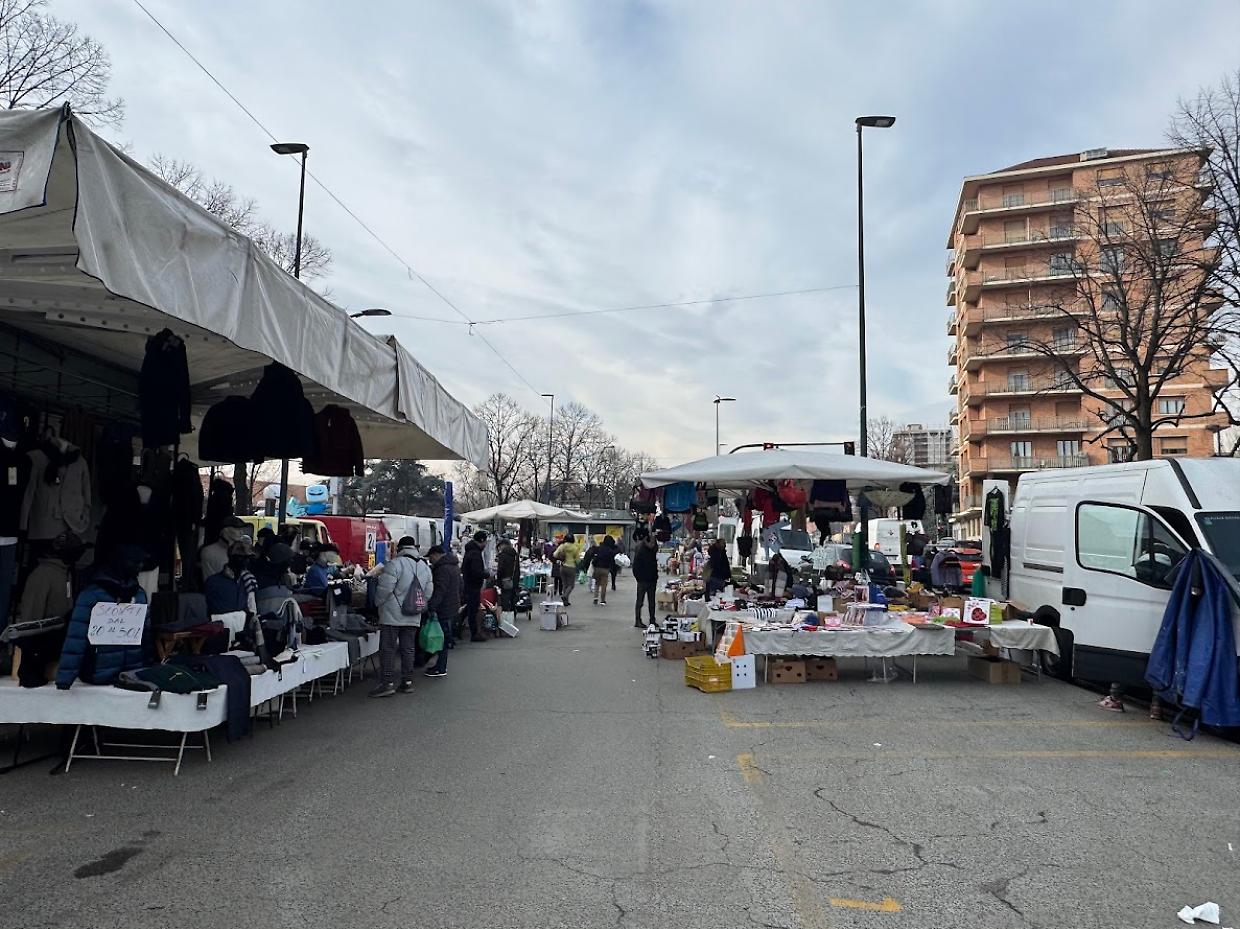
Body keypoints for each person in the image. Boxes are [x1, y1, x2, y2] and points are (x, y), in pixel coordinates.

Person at [370, 536, 433, 697]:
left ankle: (387, 683)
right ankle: (407, 681)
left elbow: (384, 589)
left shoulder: (394, 564)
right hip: (413, 613)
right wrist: (420, 604)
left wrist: (377, 603)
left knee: (388, 649)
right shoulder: (425, 567)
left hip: (392, 614)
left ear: (400, 549)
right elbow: (428, 591)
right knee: (408, 648)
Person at [425, 544, 459, 677]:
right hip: (452, 605)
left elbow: (440, 590)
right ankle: (439, 665)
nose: (430, 560)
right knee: (444, 636)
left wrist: (431, 606)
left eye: (431, 557)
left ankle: (441, 667)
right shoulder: (453, 565)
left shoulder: (442, 569)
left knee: (442, 638)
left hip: (444, 607)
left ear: (436, 554)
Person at [204, 539, 258, 616]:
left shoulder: (248, 580)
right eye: (242, 557)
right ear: (232, 558)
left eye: (248, 558)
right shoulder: (214, 582)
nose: (246, 561)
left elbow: (252, 608)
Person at [199, 515, 247, 583]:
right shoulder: (209, 552)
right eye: (237, 529)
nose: (242, 532)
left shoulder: (243, 551)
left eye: (242, 529)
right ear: (226, 530)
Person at [461, 530, 488, 642]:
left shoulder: (470, 551)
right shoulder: (475, 553)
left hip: (469, 583)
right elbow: (477, 572)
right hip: (473, 585)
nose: (486, 544)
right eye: (485, 542)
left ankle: (458, 627)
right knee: (472, 609)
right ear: (481, 541)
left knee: (469, 608)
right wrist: (486, 574)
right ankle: (474, 633)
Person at [631, 526, 658, 628]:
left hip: (650, 579)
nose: (653, 543)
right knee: (640, 601)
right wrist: (639, 577)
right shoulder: (642, 549)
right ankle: (638, 620)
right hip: (644, 580)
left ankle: (651, 620)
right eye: (651, 540)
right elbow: (636, 566)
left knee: (650, 602)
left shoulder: (652, 550)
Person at [553, 533, 582, 606]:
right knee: (571, 585)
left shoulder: (562, 546)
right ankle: (565, 596)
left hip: (562, 566)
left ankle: (566, 601)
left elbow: (555, 555)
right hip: (571, 567)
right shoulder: (575, 548)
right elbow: (578, 560)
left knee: (565, 584)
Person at [592, 536, 618, 606]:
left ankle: (595, 598)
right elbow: (613, 560)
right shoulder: (610, 551)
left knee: (597, 584)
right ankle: (602, 600)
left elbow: (595, 559)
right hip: (605, 569)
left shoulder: (599, 549)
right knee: (604, 585)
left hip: (597, 568)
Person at [496, 536, 519, 614]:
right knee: (512, 596)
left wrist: (498, 579)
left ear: (503, 545)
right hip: (514, 578)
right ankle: (513, 612)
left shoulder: (503, 555)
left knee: (505, 597)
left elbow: (500, 569)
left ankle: (506, 615)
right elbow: (517, 568)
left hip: (505, 579)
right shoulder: (515, 555)